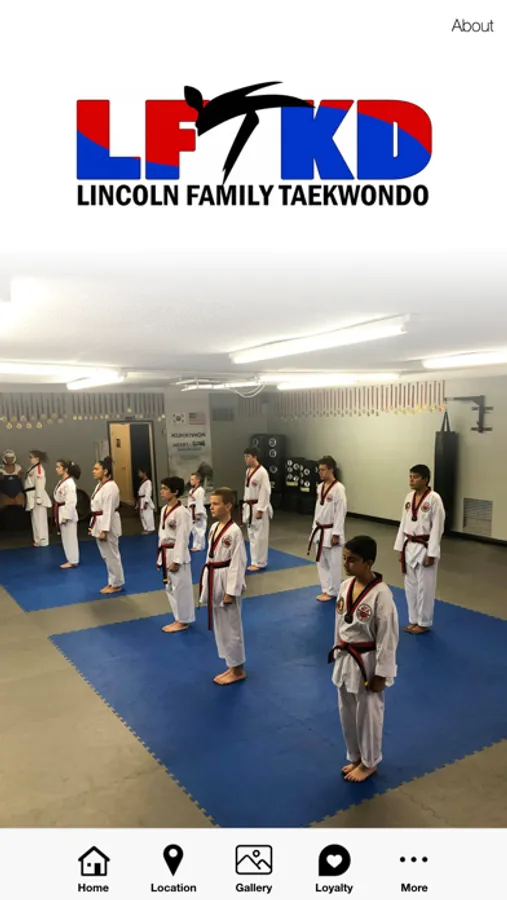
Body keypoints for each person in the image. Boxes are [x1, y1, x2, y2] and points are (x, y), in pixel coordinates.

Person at [328, 535, 399, 783]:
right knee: (346, 711)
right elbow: (339, 623)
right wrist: (336, 649)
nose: (346, 564)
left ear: (368, 563)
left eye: (352, 560)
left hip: (367, 662)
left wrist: (382, 673)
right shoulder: (345, 586)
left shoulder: (382, 595)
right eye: (344, 558)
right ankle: (356, 756)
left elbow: (388, 637)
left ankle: (370, 762)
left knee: (368, 715)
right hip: (346, 656)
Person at [199, 487, 247, 685]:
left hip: (227, 578)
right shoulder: (213, 528)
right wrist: (205, 585)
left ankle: (238, 669)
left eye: (215, 503)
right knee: (221, 626)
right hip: (214, 576)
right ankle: (231, 664)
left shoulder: (234, 532)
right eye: (211, 503)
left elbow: (238, 563)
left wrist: (231, 591)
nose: (211, 507)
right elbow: (209, 557)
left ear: (228, 506)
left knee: (232, 626)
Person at [394, 464, 446, 634]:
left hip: (425, 546)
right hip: (409, 545)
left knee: (425, 587)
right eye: (410, 476)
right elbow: (403, 523)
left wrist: (432, 553)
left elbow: (438, 528)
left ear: (425, 479)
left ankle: (423, 622)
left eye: (415, 477)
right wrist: (400, 548)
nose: (411, 480)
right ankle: (413, 619)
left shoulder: (434, 499)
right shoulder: (409, 497)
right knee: (410, 586)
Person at [157, 476, 194, 633]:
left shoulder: (182, 512)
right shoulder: (164, 510)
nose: (162, 491)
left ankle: (183, 620)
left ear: (175, 492)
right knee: (170, 588)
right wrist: (160, 558)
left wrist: (177, 560)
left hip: (178, 553)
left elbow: (182, 538)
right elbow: (162, 535)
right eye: (162, 488)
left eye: (165, 488)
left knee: (181, 588)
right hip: (166, 551)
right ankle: (178, 618)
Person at [308, 455, 347, 602]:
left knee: (334, 563)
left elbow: (340, 512)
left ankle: (333, 591)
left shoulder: (339, 489)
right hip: (319, 529)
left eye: (323, 469)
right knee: (321, 561)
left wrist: (336, 533)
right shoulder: (320, 487)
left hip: (331, 530)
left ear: (331, 470)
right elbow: (318, 510)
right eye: (319, 470)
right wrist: (314, 529)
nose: (320, 472)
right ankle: (325, 589)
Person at [89, 456, 125, 594]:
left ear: (105, 471)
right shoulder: (100, 485)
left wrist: (104, 530)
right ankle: (112, 581)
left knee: (112, 555)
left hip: (107, 523)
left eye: (96, 469)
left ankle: (117, 583)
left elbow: (108, 509)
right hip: (99, 520)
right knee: (106, 555)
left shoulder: (110, 487)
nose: (93, 471)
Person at [242, 447, 272, 571]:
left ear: (255, 457)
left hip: (258, 506)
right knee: (252, 536)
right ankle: (254, 561)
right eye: (245, 456)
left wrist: (261, 509)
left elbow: (265, 491)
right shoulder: (248, 471)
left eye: (248, 456)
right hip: (249, 506)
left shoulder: (262, 472)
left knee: (260, 536)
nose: (245, 459)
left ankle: (261, 562)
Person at [54, 459, 81, 568]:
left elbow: (71, 501)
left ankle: (73, 560)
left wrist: (66, 516)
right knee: (65, 538)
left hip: (67, 512)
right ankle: (70, 559)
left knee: (70, 538)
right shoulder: (62, 482)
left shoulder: (70, 483)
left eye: (58, 467)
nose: (56, 469)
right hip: (61, 510)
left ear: (65, 469)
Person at [24, 450, 51, 547]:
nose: (30, 459)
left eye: (31, 457)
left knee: (40, 519)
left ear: (37, 458)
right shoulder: (32, 468)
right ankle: (37, 539)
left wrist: (39, 498)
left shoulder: (39, 469)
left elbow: (40, 484)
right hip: (31, 495)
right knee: (35, 519)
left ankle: (43, 540)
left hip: (37, 495)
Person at [187, 472, 207, 552]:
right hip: (192, 511)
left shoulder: (200, 490)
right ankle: (195, 545)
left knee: (200, 529)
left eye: (192, 479)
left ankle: (200, 546)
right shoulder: (191, 490)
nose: (191, 481)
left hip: (198, 511)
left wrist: (198, 513)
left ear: (198, 480)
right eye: (190, 479)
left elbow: (200, 502)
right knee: (194, 529)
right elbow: (189, 502)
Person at [137, 468, 156, 534]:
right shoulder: (143, 481)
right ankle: (146, 528)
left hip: (145, 499)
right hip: (141, 499)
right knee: (143, 515)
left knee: (148, 515)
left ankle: (151, 529)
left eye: (140, 472)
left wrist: (146, 502)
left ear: (144, 473)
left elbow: (148, 492)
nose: (139, 474)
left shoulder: (148, 482)